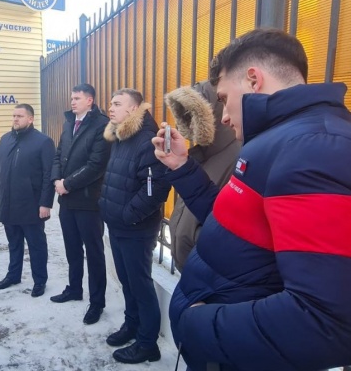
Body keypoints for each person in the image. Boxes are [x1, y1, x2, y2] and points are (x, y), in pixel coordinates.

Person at [152, 28, 351, 370]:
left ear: (254, 80)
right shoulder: (282, 139)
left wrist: (198, 324)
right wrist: (182, 167)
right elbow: (232, 222)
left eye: (224, 98)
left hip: (236, 353)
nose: (224, 116)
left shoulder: (315, 147)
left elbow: (325, 320)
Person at [98, 89, 170, 364]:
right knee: (127, 282)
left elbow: (156, 188)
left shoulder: (147, 139)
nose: (110, 108)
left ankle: (147, 344)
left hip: (136, 228)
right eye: (110, 103)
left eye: (117, 104)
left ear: (133, 109)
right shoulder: (122, 136)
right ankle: (132, 325)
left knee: (140, 285)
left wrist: (127, 215)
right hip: (119, 225)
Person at [50, 83, 111, 325]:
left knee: (94, 253)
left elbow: (96, 165)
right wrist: (57, 180)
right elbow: (59, 154)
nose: (72, 102)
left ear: (90, 100)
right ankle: (74, 288)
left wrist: (68, 183)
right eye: (72, 98)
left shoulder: (101, 125)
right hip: (67, 199)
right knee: (72, 248)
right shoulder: (69, 123)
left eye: (77, 98)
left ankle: (97, 302)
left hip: (88, 200)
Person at [165, 82, 240, 271]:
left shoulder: (239, 156)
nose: (189, 122)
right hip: (193, 266)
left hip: (210, 269)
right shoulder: (201, 154)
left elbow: (232, 225)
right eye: (186, 115)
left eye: (194, 114)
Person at [0, 103, 55, 298]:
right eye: (14, 116)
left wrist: (45, 203)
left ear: (30, 119)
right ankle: (13, 275)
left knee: (36, 245)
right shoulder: (5, 139)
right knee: (14, 243)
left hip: (31, 204)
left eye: (20, 116)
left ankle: (40, 280)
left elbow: (48, 175)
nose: (15, 119)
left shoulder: (43, 142)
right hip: (8, 202)